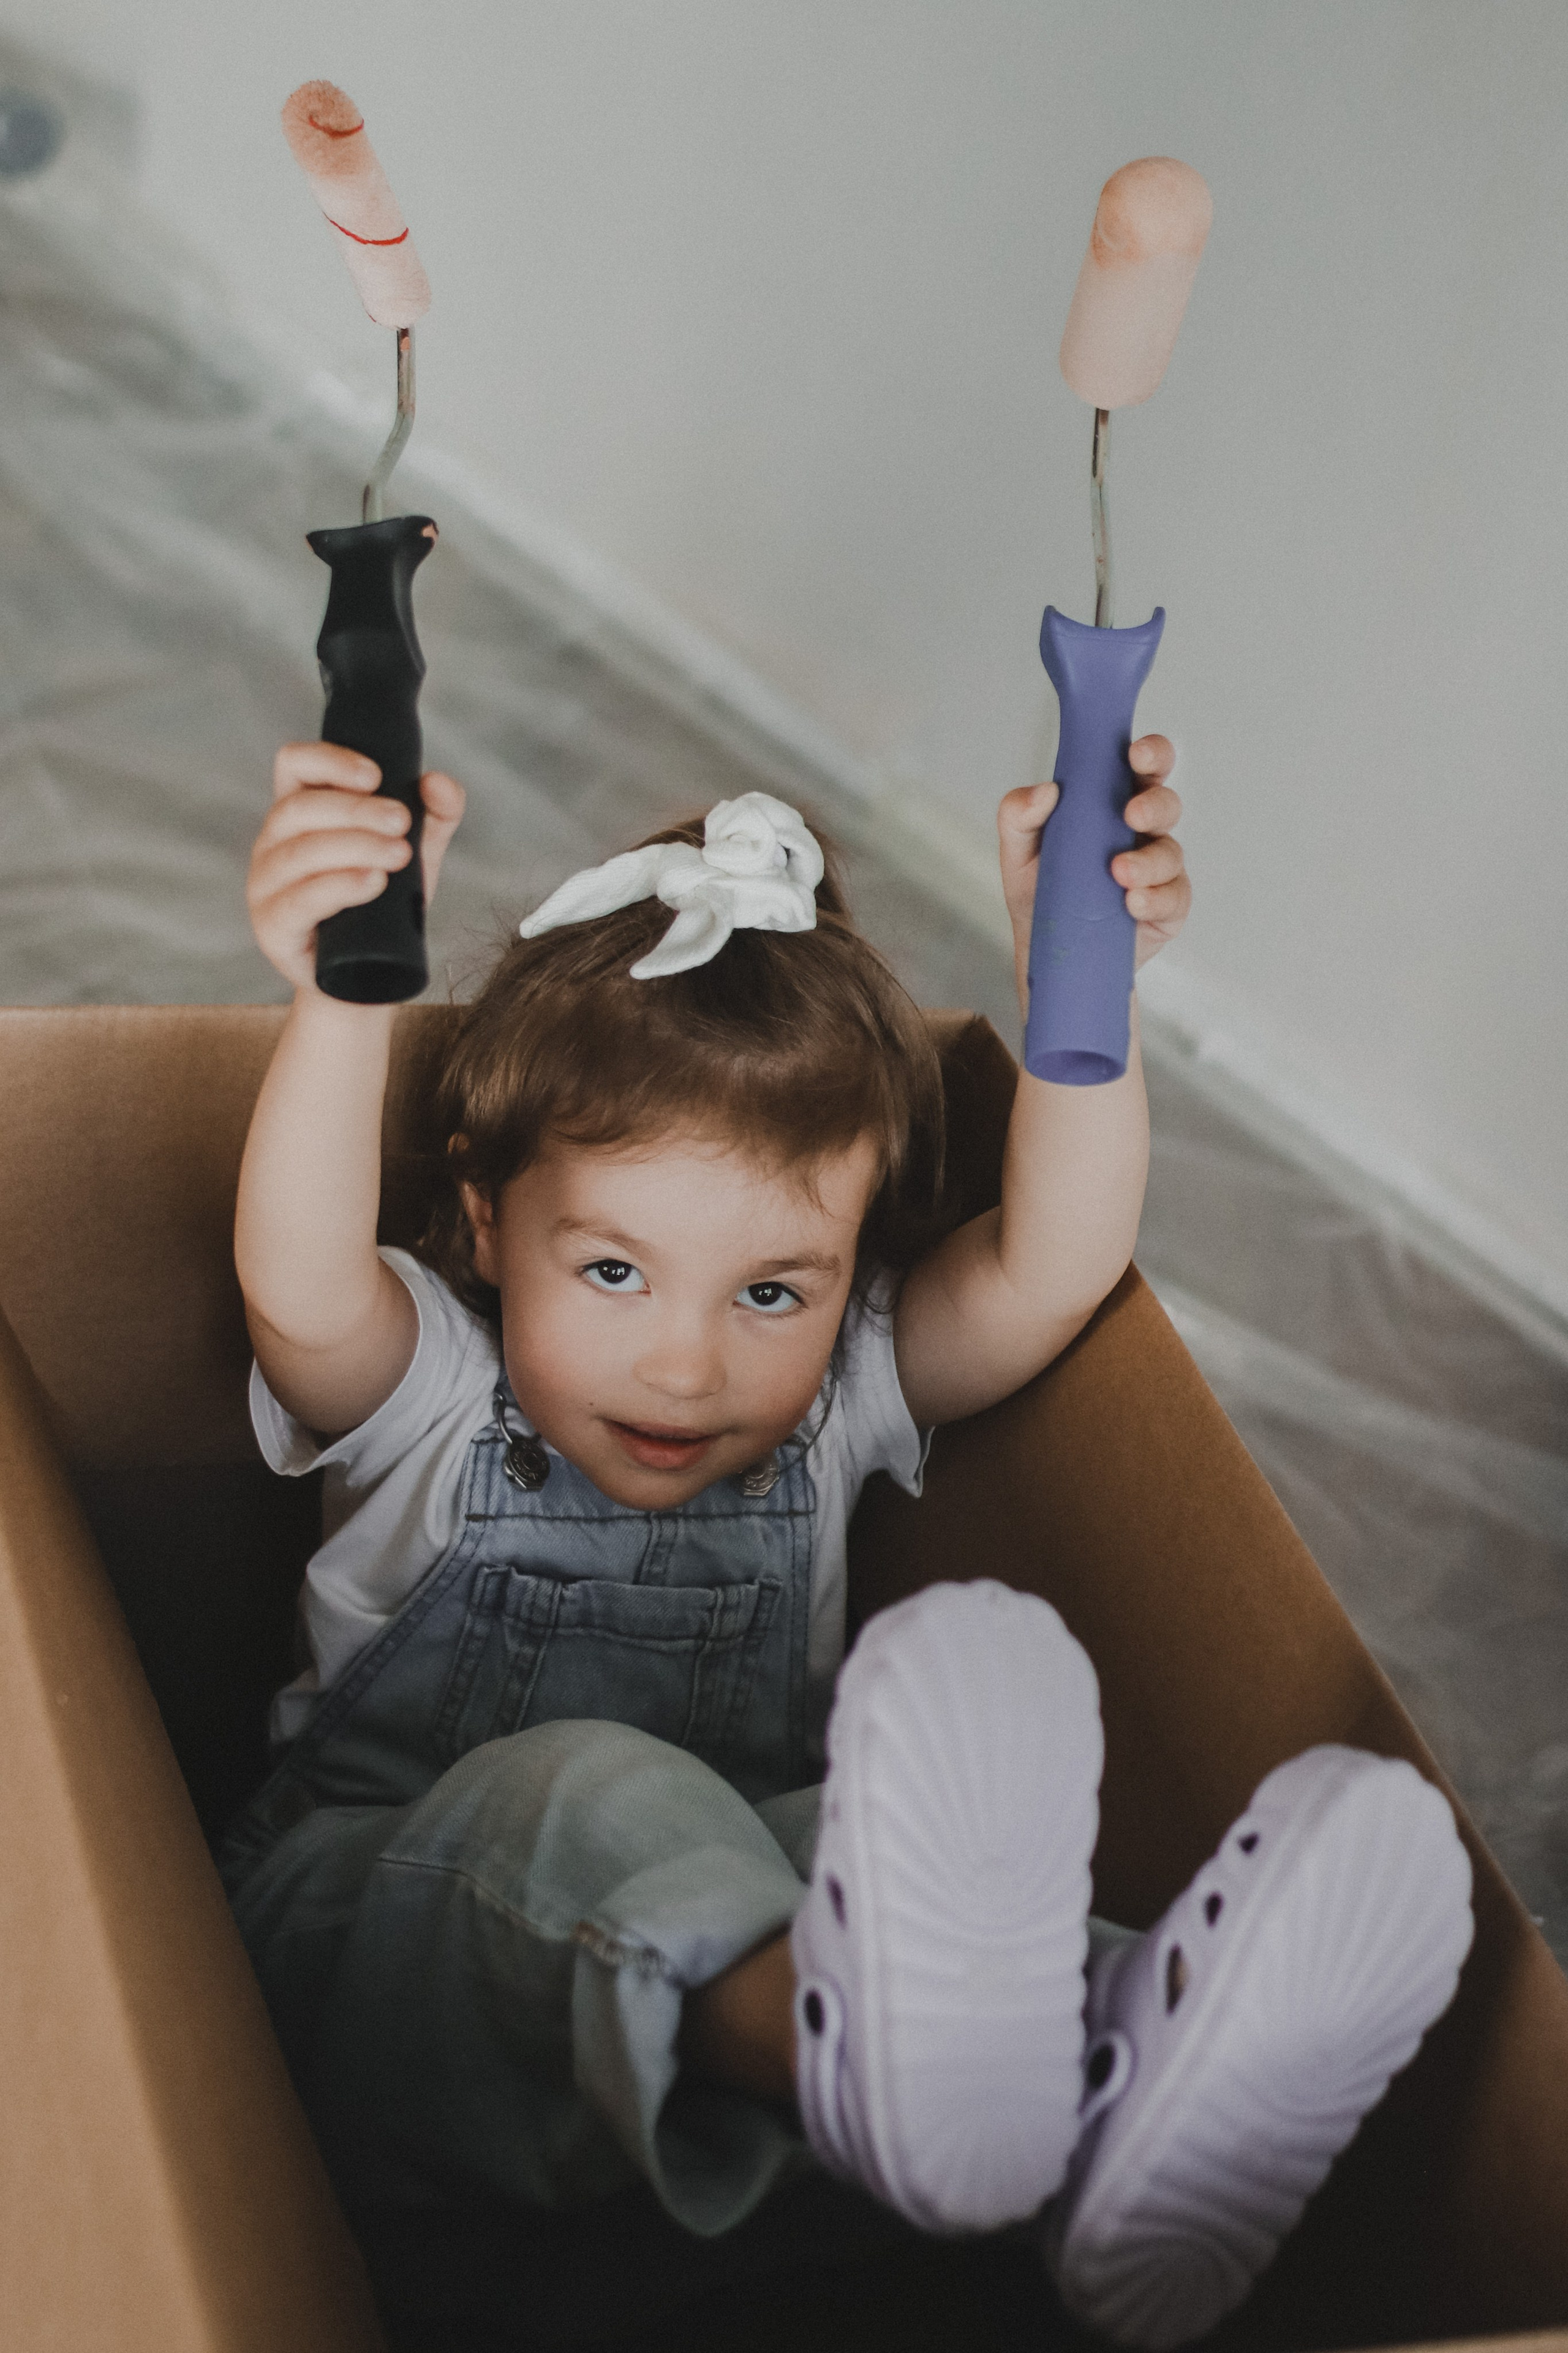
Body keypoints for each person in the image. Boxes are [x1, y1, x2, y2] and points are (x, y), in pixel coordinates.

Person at [222, 740, 1472, 2348]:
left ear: (848, 1273)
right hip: (370, 1969)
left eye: (772, 1291)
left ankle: (1120, 2061)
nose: (689, 1362)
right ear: (482, 1223)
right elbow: (298, 1280)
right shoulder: (430, 1390)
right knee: (591, 1799)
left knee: (841, 1834)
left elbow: (1050, 1265)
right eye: (612, 1272)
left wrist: (1083, 999)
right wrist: (337, 989)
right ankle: (856, 2038)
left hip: (675, 2167)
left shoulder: (835, 1403)